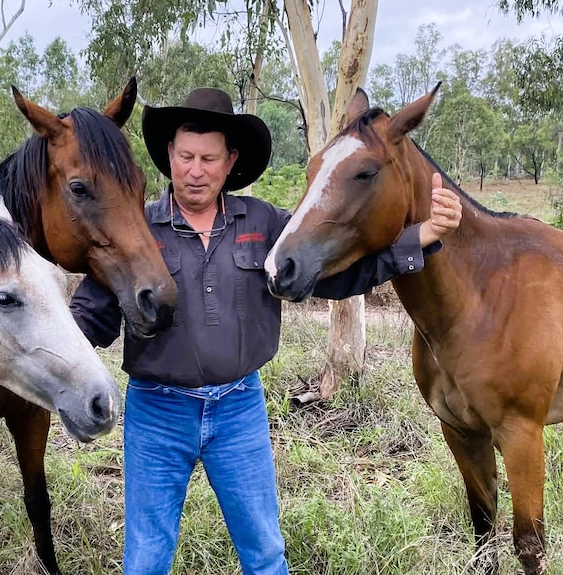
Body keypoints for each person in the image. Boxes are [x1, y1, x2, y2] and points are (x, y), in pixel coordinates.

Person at [69, 87, 463, 575]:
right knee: (147, 558)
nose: (195, 170)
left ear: (229, 160)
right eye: (186, 155)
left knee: (264, 554)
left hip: (239, 410)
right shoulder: (135, 229)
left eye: (209, 158)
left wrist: (420, 237)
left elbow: (338, 277)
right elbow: (90, 316)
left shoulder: (263, 222)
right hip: (157, 413)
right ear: (169, 155)